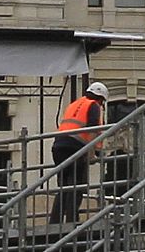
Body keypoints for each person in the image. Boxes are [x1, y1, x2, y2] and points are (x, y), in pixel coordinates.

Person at [49, 81, 107, 225]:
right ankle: (71, 221)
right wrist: (92, 153)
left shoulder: (74, 104)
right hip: (74, 148)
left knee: (64, 187)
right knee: (77, 185)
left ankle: (55, 222)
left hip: (58, 146)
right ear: (100, 98)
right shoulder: (93, 105)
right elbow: (92, 129)